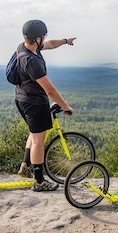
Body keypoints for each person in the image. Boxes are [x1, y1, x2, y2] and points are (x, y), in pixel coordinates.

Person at [14, 19, 75, 192]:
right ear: (38, 38)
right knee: (39, 142)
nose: (45, 39)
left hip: (21, 98)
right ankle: (39, 182)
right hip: (34, 103)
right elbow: (50, 90)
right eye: (43, 36)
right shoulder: (32, 61)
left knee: (34, 134)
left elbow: (49, 44)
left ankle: (25, 165)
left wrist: (65, 41)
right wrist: (65, 106)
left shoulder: (23, 47)